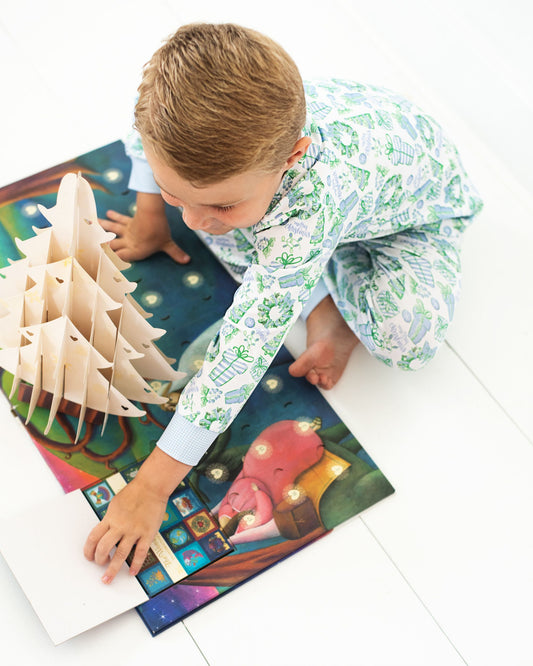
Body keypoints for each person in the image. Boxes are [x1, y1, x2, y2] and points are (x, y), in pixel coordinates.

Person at [84, 23, 483, 583]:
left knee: (405, 343)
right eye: (181, 197)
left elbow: (241, 353)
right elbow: (147, 141)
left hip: (409, 216)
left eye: (219, 203)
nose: (194, 221)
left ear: (292, 156)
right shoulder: (173, 111)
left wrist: (151, 486)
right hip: (306, 202)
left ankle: (314, 280)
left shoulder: (309, 207)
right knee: (244, 232)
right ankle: (298, 276)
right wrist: (155, 213)